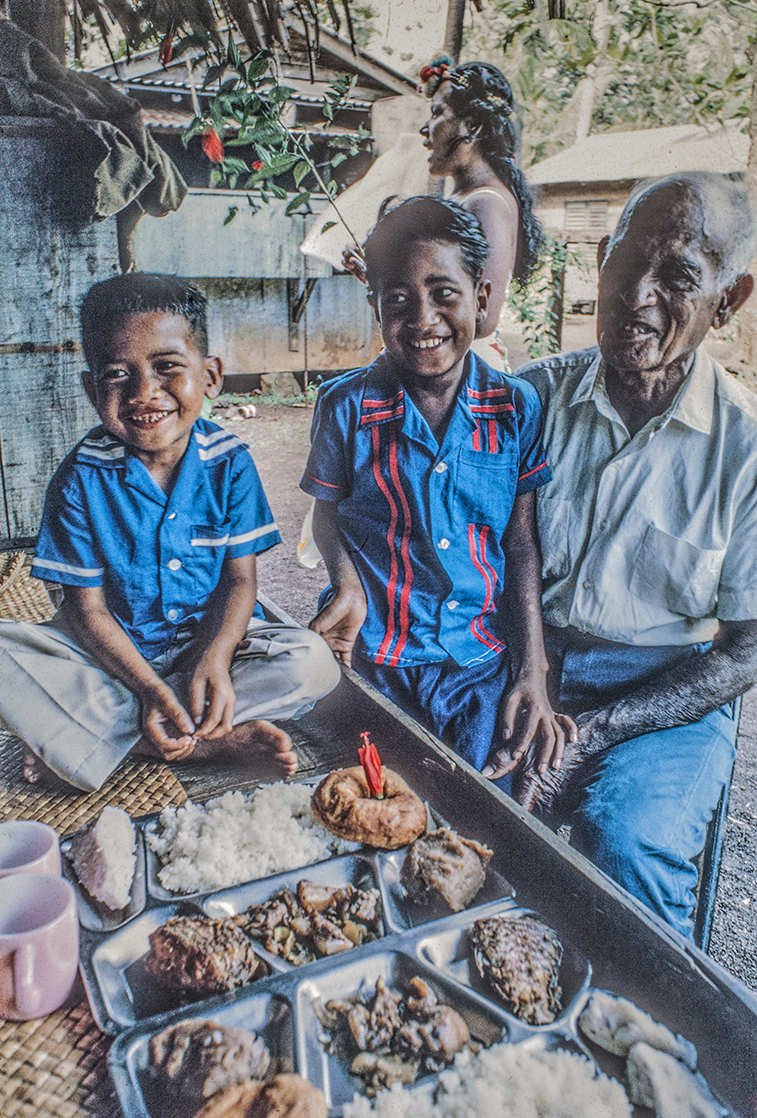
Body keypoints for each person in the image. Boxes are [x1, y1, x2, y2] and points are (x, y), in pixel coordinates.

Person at [485, 172, 757, 938]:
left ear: (726, 301)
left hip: (666, 690)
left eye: (676, 277)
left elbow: (743, 653)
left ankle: (653, 1043)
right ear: (600, 259)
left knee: (626, 845)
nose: (635, 294)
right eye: (625, 262)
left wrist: (592, 733)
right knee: (450, 806)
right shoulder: (526, 399)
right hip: (524, 661)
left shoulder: (745, 446)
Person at [0, 273, 340, 791]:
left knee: (314, 664)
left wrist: (216, 658)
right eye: (117, 375)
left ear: (210, 377)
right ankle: (192, 743)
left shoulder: (231, 464)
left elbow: (241, 584)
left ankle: (98, 739)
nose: (143, 393)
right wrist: (147, 685)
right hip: (109, 660)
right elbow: (85, 610)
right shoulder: (78, 480)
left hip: (200, 656)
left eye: (167, 368)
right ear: (93, 388)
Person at [301, 196, 575, 782]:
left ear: (480, 299)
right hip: (370, 655)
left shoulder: (515, 407)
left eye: (443, 293)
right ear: (375, 306)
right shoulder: (345, 406)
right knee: (366, 789)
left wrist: (533, 670)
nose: (423, 318)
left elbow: (520, 542)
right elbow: (328, 516)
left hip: (477, 662)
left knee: (476, 799)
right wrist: (346, 585)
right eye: (397, 299)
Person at [419, 58, 543, 347]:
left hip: (465, 366)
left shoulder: (487, 203)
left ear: (471, 126)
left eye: (437, 112)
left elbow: (483, 319)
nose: (425, 129)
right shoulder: (463, 198)